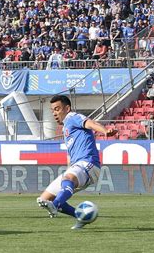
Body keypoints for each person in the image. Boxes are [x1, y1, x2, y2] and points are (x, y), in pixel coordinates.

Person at [36, 95, 117, 229]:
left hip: (89, 163)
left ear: (67, 108)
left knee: (63, 187)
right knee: (44, 199)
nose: (54, 113)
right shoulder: (65, 128)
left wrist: (105, 131)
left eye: (57, 109)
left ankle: (56, 205)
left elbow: (91, 123)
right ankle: (82, 216)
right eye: (52, 110)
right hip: (77, 167)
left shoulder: (72, 117)